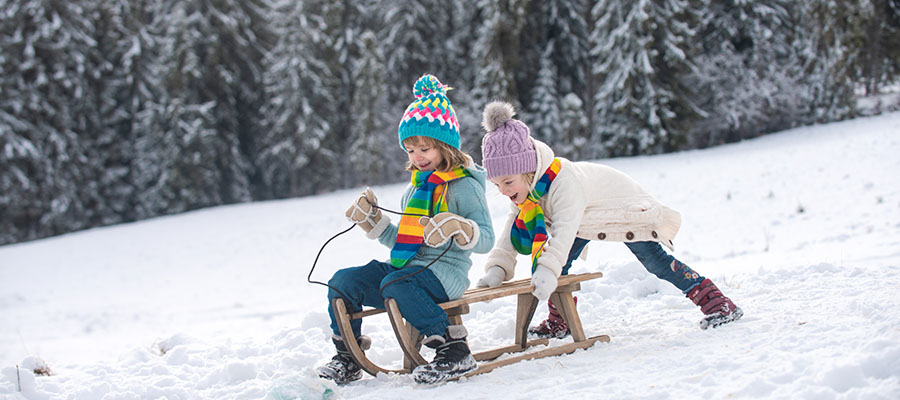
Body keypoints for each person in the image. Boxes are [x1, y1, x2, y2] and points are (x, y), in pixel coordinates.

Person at [475, 101, 742, 336]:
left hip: (624, 209)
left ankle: (717, 303)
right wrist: (497, 269)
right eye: (497, 185)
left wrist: (546, 270)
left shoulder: (562, 182)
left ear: (527, 170)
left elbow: (564, 232)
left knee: (655, 261)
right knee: (562, 262)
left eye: (508, 182)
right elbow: (512, 228)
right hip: (587, 215)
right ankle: (561, 322)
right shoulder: (528, 190)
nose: (503, 191)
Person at [316, 75, 495, 385]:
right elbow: (405, 242)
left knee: (395, 283)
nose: (417, 157)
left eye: (424, 148)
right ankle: (348, 354)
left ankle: (453, 349)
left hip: (445, 275)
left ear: (445, 146)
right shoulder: (414, 190)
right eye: (410, 150)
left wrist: (459, 227)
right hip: (406, 273)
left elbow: (486, 238)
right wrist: (373, 222)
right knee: (343, 281)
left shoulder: (464, 186)